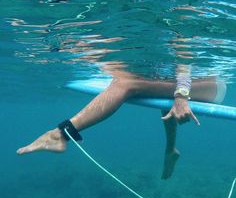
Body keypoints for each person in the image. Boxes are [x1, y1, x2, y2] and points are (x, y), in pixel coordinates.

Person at [16, 61, 225, 179]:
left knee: (127, 83)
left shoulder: (176, 6)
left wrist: (181, 96)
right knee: (156, 92)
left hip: (210, 84)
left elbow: (185, 58)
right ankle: (171, 149)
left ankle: (60, 135)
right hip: (176, 80)